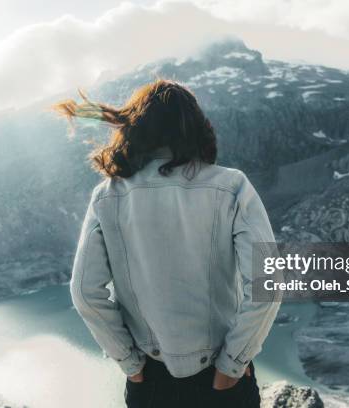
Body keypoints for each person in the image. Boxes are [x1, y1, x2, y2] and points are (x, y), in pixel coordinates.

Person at [54, 79, 280, 407]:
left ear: (135, 130)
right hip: (221, 381)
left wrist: (131, 365)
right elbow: (268, 286)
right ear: (196, 128)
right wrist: (232, 366)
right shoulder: (231, 186)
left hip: (151, 382)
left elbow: (86, 293)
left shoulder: (107, 195)